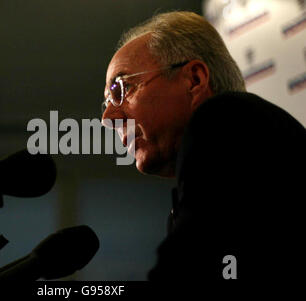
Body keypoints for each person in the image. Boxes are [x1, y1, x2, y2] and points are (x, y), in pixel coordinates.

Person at [101, 11, 306, 280]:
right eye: (106, 103)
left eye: (121, 89)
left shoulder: (223, 119)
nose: (108, 118)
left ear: (194, 80)